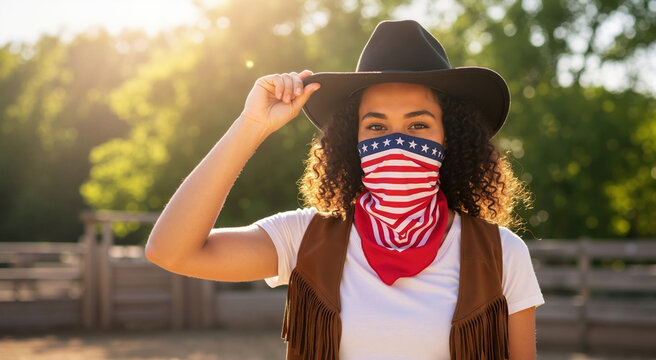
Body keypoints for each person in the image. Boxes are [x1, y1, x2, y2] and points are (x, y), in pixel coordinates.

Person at [146, 19, 545, 360]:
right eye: (376, 126)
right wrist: (252, 125)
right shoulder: (303, 237)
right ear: (351, 141)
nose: (395, 143)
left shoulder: (502, 253)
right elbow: (170, 250)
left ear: (450, 140)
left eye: (418, 125)